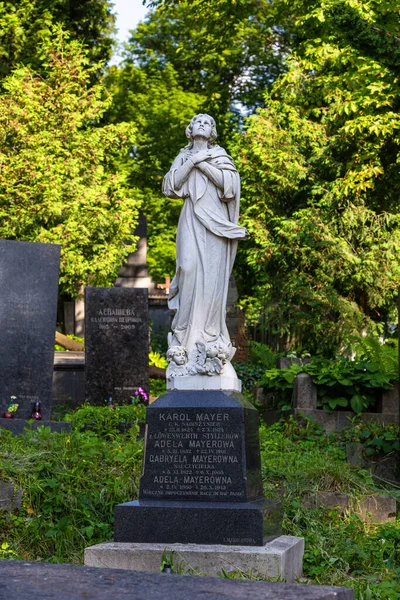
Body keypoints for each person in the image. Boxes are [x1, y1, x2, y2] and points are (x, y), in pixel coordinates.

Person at [163, 114, 247, 379]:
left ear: (212, 132)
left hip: (214, 226)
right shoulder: (183, 156)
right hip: (190, 219)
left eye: (207, 122)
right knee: (186, 270)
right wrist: (192, 161)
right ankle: (184, 339)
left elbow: (229, 186)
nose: (201, 124)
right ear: (190, 130)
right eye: (197, 121)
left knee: (210, 280)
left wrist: (203, 163)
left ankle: (208, 339)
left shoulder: (220, 155)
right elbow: (170, 186)